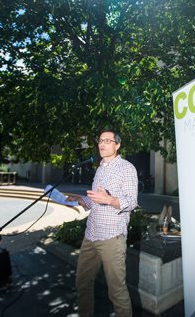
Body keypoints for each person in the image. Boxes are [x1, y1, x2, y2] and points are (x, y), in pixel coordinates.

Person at [68, 129, 138, 317]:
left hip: (111, 238)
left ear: (117, 145)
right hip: (91, 235)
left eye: (108, 140)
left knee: (116, 292)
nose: (102, 143)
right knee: (82, 282)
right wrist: (83, 200)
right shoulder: (99, 168)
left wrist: (109, 199)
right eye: (100, 140)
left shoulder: (127, 168)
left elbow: (131, 202)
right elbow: (96, 200)